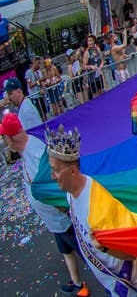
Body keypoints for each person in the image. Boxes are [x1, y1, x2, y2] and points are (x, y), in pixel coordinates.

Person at [47, 125, 137, 297]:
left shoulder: (99, 206)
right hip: (110, 281)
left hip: (129, 284)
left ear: (73, 170)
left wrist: (105, 249)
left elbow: (131, 254)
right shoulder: (70, 195)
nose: (52, 176)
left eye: (55, 169)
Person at [0, 114, 90, 296]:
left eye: (3, 137)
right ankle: (78, 284)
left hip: (63, 222)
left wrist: (67, 212)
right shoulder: (28, 146)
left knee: (89, 255)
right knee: (67, 252)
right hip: (55, 223)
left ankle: (114, 283)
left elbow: (55, 188)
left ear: (8, 138)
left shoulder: (35, 154)